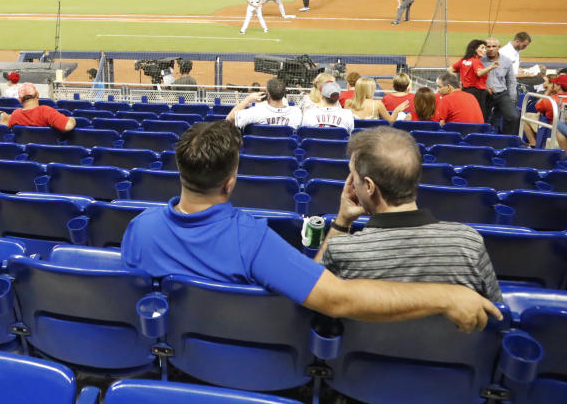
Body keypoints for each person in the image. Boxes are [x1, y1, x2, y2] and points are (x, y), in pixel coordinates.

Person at [120, 121, 501, 333]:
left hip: (179, 356)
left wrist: (340, 224)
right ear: (230, 182)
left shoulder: (139, 228)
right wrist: (445, 295)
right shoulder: (252, 239)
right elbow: (336, 297)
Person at [315, 127, 501, 302]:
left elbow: (310, 291)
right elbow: (496, 314)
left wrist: (342, 221)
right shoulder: (469, 243)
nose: (353, 185)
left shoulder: (342, 250)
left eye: (354, 178)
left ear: (370, 186)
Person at [226, 77, 302, 129]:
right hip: (285, 152)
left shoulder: (256, 111)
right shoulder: (296, 113)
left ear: (267, 93)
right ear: (284, 93)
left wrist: (247, 100)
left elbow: (229, 119)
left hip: (257, 151)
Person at [481, 37, 519, 135]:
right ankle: (481, 140)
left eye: (494, 46)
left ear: (499, 47)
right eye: (488, 46)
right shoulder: (479, 60)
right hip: (483, 93)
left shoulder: (506, 61)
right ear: (484, 48)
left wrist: (512, 99)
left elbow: (511, 81)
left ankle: (508, 141)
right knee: (481, 118)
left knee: (513, 116)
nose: (491, 49)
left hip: (501, 93)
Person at [451, 39, 496, 119]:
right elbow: (479, 73)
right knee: (480, 115)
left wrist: (457, 83)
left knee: (467, 113)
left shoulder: (463, 60)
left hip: (465, 91)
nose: (485, 50)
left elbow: (450, 69)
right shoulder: (476, 61)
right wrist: (491, 67)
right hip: (477, 94)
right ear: (475, 49)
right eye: (482, 48)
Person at [8, 82, 76, 132]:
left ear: (20, 100)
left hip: (26, 151)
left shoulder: (15, 114)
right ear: (37, 95)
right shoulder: (45, 111)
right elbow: (68, 126)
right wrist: (72, 119)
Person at [531, 74, 567, 149]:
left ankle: (533, 145)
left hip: (551, 127)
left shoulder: (551, 100)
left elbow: (537, 106)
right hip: (559, 128)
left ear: (559, 86)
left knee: (526, 116)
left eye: (554, 84)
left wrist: (548, 91)